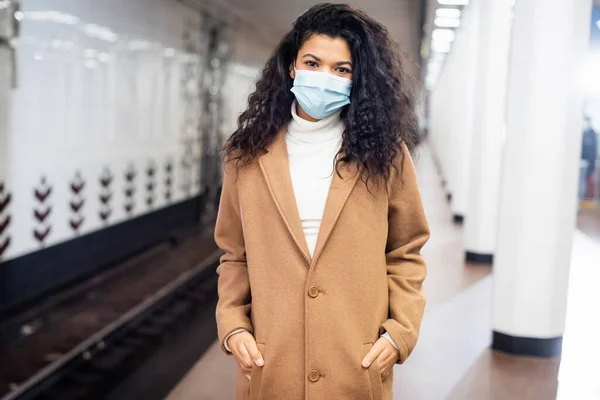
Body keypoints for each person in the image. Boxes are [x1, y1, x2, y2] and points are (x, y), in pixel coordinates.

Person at [214, 4, 429, 399]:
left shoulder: (386, 155)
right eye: (313, 62)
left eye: (341, 69)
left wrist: (400, 333)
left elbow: (406, 251)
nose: (324, 77)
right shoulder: (245, 157)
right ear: (292, 67)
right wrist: (234, 325)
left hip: (355, 361)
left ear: (356, 79)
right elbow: (234, 254)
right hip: (273, 362)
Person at [580, 116, 598, 202]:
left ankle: (578, 203)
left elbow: (592, 152)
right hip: (577, 163)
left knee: (580, 185)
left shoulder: (591, 134)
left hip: (584, 164)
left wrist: (591, 169)